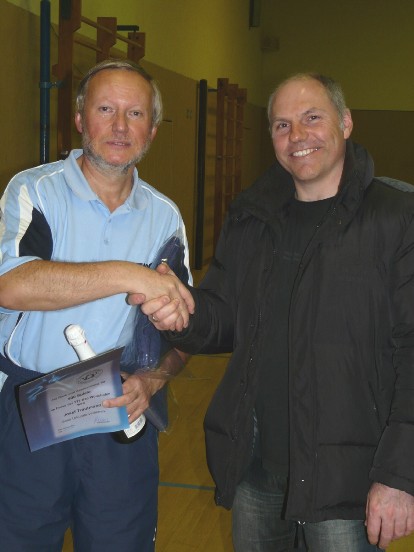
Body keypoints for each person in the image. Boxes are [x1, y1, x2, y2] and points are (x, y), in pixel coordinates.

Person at [143, 73, 414, 551]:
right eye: (282, 125)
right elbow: (224, 319)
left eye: (312, 118)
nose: (297, 135)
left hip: (349, 481)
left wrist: (399, 474)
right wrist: (181, 313)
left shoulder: (396, 218)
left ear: (346, 122)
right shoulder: (252, 217)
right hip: (257, 471)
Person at [0, 59, 194, 551]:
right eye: (106, 109)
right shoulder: (33, 191)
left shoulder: (166, 218)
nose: (120, 126)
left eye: (135, 113)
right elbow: (12, 285)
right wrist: (131, 275)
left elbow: (185, 333)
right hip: (29, 409)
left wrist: (152, 380)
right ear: (80, 118)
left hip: (117, 410)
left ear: (152, 130)